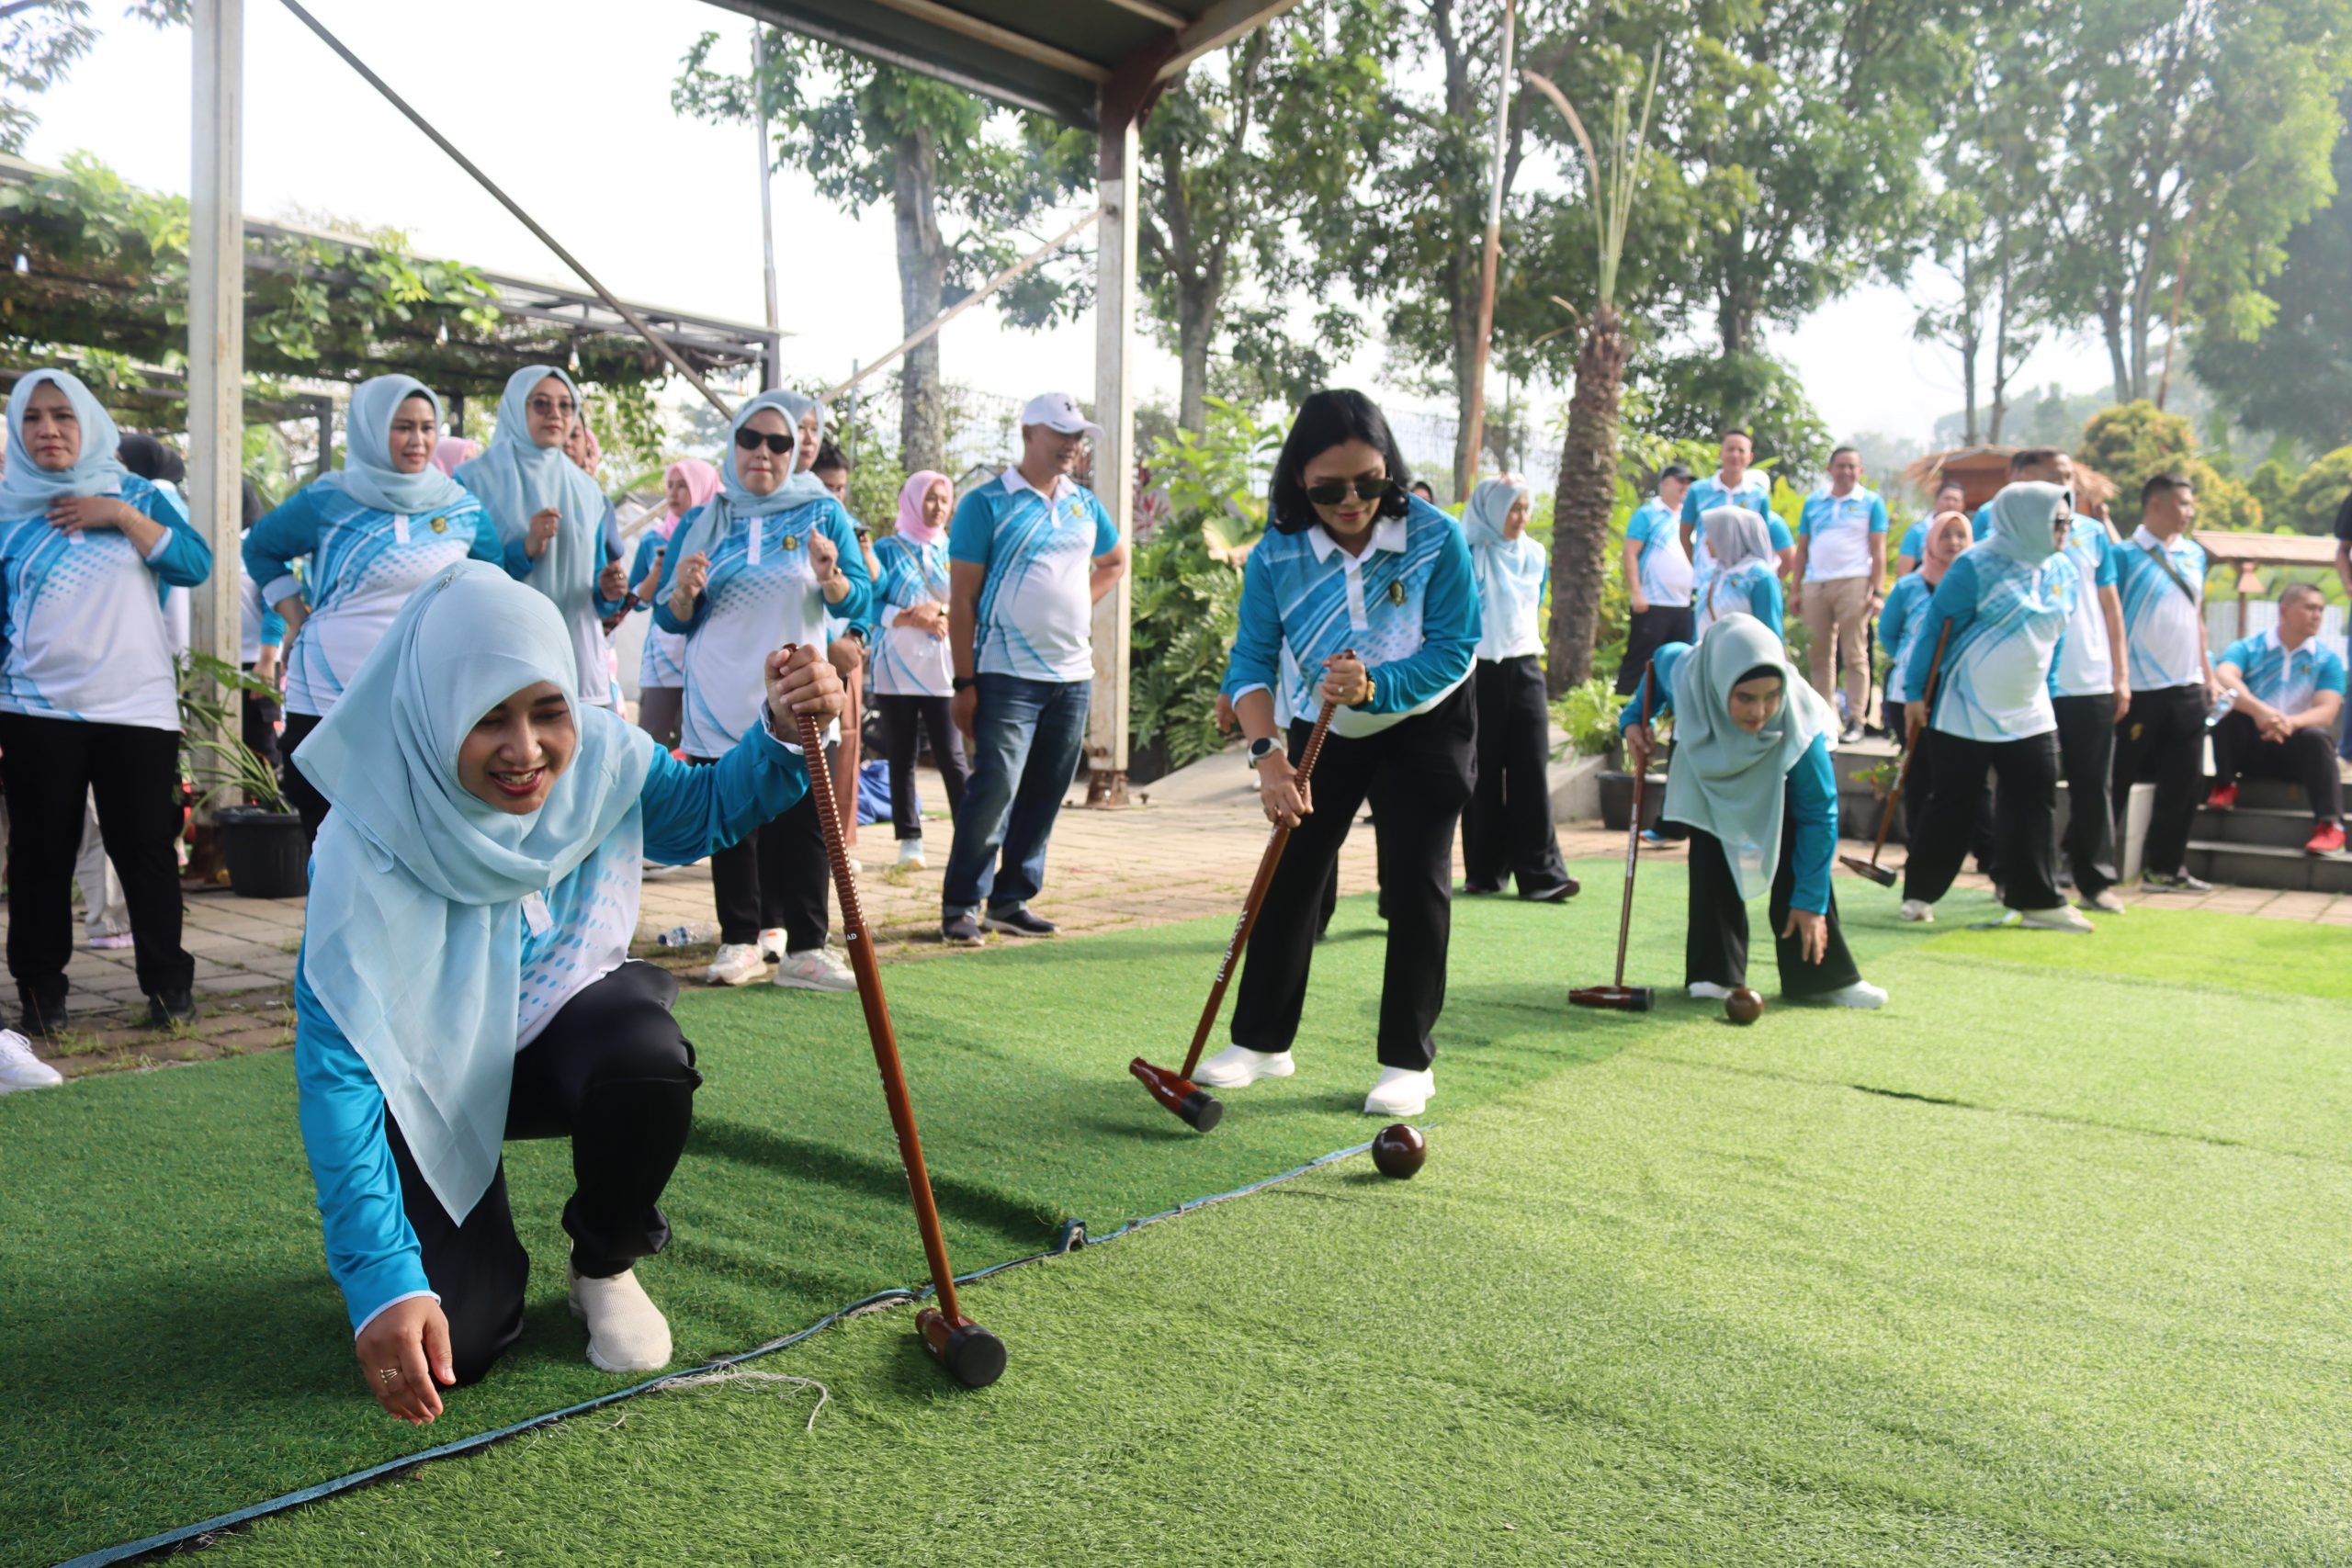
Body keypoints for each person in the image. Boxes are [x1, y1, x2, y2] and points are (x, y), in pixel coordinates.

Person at [292, 561, 845, 1416]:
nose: (526, 751)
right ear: (436, 715)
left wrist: (776, 727)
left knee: (643, 1052)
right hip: (426, 1078)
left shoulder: (600, 756)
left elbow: (698, 812)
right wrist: (380, 1279)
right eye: (488, 719)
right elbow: (341, 1076)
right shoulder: (362, 841)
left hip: (558, 1042)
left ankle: (602, 1262)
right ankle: (466, 1263)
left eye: (547, 709)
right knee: (462, 1347)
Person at [1193, 389, 1480, 1117]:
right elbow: (1252, 664)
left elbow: (1456, 647)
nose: (1352, 502)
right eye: (1329, 488)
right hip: (1318, 725)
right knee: (1291, 878)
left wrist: (1377, 684)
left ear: (1390, 470)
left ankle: (1407, 1060)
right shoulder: (1277, 556)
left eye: (1370, 482)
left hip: (1425, 720)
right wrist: (1269, 760)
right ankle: (1262, 1041)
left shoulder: (1435, 537)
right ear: (1299, 481)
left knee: (1415, 883)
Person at [0, 369, 211, 1035]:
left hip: (135, 707)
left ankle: (168, 989)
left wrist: (116, 515)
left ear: (89, 421)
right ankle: (39, 994)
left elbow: (194, 564)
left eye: (62, 414)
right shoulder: (6, 506)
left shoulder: (138, 492)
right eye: (33, 418)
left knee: (146, 850)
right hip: (37, 709)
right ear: (16, 428)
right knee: (39, 855)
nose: (49, 429)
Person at [655, 389, 870, 991]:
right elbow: (670, 619)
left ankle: (807, 948)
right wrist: (681, 594)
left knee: (805, 821)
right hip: (717, 692)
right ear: (734, 445)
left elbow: (862, 600)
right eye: (751, 439)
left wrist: (830, 578)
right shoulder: (706, 518)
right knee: (729, 819)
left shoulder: (821, 511)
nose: (765, 452)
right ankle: (739, 940)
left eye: (779, 442)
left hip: (796, 693)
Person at [247, 375, 506, 845]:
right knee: (328, 836)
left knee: (417, 835)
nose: (418, 440)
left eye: (428, 427)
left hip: (424, 689)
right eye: (402, 426)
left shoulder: (462, 508)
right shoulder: (330, 498)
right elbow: (262, 548)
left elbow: (494, 582)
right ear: (370, 429)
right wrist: (294, 614)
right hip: (328, 689)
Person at [940, 391, 1129, 945]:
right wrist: (964, 682)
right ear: (1028, 433)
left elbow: (1114, 562)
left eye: (1077, 435)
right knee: (995, 786)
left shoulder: (1084, 505)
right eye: (1061, 433)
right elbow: (964, 600)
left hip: (1072, 676)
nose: (1072, 445)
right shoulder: (986, 503)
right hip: (1004, 674)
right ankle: (960, 904)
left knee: (1047, 789)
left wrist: (1071, 603)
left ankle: (1011, 900)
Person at [1621, 615, 1885, 1007]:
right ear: (1717, 684)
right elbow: (1661, 662)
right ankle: (1714, 971)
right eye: (1745, 697)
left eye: (1770, 695)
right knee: (1711, 846)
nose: (1759, 711)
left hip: (1777, 775)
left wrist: (1810, 903)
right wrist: (1632, 721)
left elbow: (1819, 816)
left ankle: (1821, 978)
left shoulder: (1801, 726)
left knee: (1795, 843)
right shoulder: (1689, 675)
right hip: (1711, 774)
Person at [1895, 482, 2090, 931]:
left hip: (2030, 707)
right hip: (1964, 705)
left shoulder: (2063, 570)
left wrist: (2053, 689)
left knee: (2035, 797)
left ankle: (2038, 901)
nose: (2064, 530)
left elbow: (2054, 639)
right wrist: (1913, 694)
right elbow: (1933, 631)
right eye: (2056, 522)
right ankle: (1920, 892)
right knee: (1953, 802)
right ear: (2026, 520)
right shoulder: (1974, 566)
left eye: (2067, 521)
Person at [455, 367, 628, 709]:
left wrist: (608, 593)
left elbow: (595, 590)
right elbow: (458, 575)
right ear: (517, 408)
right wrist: (525, 548)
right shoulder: (473, 480)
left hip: (575, 654)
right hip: (501, 649)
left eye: (566, 406)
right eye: (542, 404)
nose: (556, 414)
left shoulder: (588, 491)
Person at [1461, 477, 1575, 901]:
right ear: (1491, 510)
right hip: (1477, 669)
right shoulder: (1468, 551)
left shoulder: (1534, 554)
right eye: (1512, 508)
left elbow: (1531, 605)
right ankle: (1485, 870)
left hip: (1525, 664)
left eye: (1525, 508)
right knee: (1482, 770)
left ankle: (1542, 874)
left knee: (1531, 764)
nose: (1520, 518)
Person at [2110, 472, 2216, 893]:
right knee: (2117, 777)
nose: (2188, 512)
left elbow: (2197, 617)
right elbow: (2109, 619)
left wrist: (2207, 675)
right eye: (2182, 504)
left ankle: (2166, 868)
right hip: (2137, 687)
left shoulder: (2194, 555)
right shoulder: (2123, 556)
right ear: (2154, 504)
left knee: (2183, 782)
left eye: (2191, 504)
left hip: (2187, 686)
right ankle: (2077, 858)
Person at [1878, 511, 1993, 863]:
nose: (1954, 543)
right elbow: (1887, 632)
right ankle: (1920, 852)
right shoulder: (1910, 585)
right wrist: (1914, 663)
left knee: (1967, 775)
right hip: (1909, 694)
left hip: (1959, 690)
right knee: (1919, 774)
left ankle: (1989, 855)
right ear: (1931, 540)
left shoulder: (1975, 584)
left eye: (1961, 535)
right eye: (1946, 535)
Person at [872, 469, 970, 871]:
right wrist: (908, 618)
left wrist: (940, 611)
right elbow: (867, 603)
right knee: (901, 755)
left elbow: (970, 598)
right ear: (911, 500)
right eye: (929, 498)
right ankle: (909, 839)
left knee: (952, 755)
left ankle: (969, 836)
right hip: (894, 669)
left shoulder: (958, 548)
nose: (938, 507)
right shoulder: (886, 549)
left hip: (943, 670)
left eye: (944, 499)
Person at [2207, 582, 2346, 854]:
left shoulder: (2327, 660)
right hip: (2250, 747)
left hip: (2296, 753)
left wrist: (2288, 723)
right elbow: (2224, 677)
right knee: (2226, 709)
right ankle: (2225, 784)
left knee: (2317, 736)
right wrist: (2260, 711)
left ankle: (2330, 826)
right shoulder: (2249, 647)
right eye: (2310, 608)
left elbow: (2327, 711)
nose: (2317, 615)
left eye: (2321, 609)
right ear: (2285, 610)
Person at [2041, 492, 2131, 911]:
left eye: (2066, 476)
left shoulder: (2093, 533)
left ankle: (2095, 882)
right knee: (2029, 785)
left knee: (2093, 785)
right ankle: (2025, 879)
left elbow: (2112, 607)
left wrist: (2120, 675)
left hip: (2091, 680)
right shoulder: (2010, 528)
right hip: (2034, 681)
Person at [809, 439, 881, 853]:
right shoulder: (790, 518)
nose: (833, 496)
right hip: (804, 654)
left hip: (843, 655)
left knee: (845, 746)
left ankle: (841, 844)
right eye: (826, 486)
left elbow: (875, 588)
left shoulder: (849, 525)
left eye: (840, 488)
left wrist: (855, 637)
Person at [1790, 445, 1889, 741]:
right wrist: (1795, 589)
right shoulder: (1814, 502)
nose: (1846, 472)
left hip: (1854, 581)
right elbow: (1803, 548)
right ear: (1829, 469)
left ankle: (1856, 719)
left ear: (1861, 471)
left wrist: (1878, 591)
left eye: (1852, 466)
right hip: (1816, 583)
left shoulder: (1870, 502)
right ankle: (1825, 718)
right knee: (1819, 653)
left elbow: (1878, 548)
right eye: (1840, 466)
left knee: (1855, 652)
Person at [626, 459, 720, 752]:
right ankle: (645, 799)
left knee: (699, 745)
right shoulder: (652, 540)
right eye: (670, 485)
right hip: (662, 657)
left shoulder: (721, 537)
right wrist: (657, 575)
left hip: (708, 656)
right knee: (651, 741)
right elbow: (636, 602)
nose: (674, 493)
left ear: (702, 488)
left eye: (684, 486)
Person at [1617, 460, 1695, 694]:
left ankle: (1672, 720)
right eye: (1680, 481)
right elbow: (1630, 553)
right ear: (1664, 483)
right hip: (1652, 602)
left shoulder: (1689, 518)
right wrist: (1637, 593)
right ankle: (1623, 714)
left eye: (1688, 482)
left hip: (1683, 604)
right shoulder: (1648, 514)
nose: (1685, 486)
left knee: (1680, 664)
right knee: (1640, 661)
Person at [1679, 430, 1792, 581]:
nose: (1735, 455)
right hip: (1705, 579)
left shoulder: (1758, 496)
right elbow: (1685, 533)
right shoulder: (1698, 490)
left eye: (1741, 450)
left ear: (1750, 457)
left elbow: (1761, 539)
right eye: (1730, 449)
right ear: (1721, 453)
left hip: (1744, 581)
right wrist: (1697, 564)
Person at [1693, 506, 1785, 640]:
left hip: (1745, 659)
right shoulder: (1712, 574)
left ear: (1728, 535)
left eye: (1711, 534)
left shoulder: (1759, 577)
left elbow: (1771, 634)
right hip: (1710, 658)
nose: (1705, 541)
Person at [1894, 480, 1971, 575]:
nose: (1951, 504)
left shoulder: (1968, 533)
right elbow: (1903, 572)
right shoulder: (1916, 532)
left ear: (1963, 505)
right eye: (1947, 498)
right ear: (1936, 501)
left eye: (1956, 500)